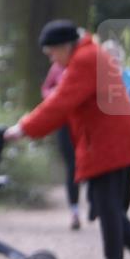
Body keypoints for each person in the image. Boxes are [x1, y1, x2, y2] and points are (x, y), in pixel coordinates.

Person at [5, 19, 130, 259]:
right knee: (107, 205)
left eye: (52, 52)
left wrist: (23, 128)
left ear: (65, 46)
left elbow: (60, 102)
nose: (52, 59)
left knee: (107, 206)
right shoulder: (90, 55)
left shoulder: (85, 60)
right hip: (113, 140)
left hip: (109, 143)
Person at [41, 61, 81, 229]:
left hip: (84, 124)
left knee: (90, 165)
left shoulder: (82, 64)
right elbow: (46, 88)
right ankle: (75, 211)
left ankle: (98, 206)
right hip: (64, 124)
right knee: (72, 167)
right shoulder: (57, 67)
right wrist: (55, 95)